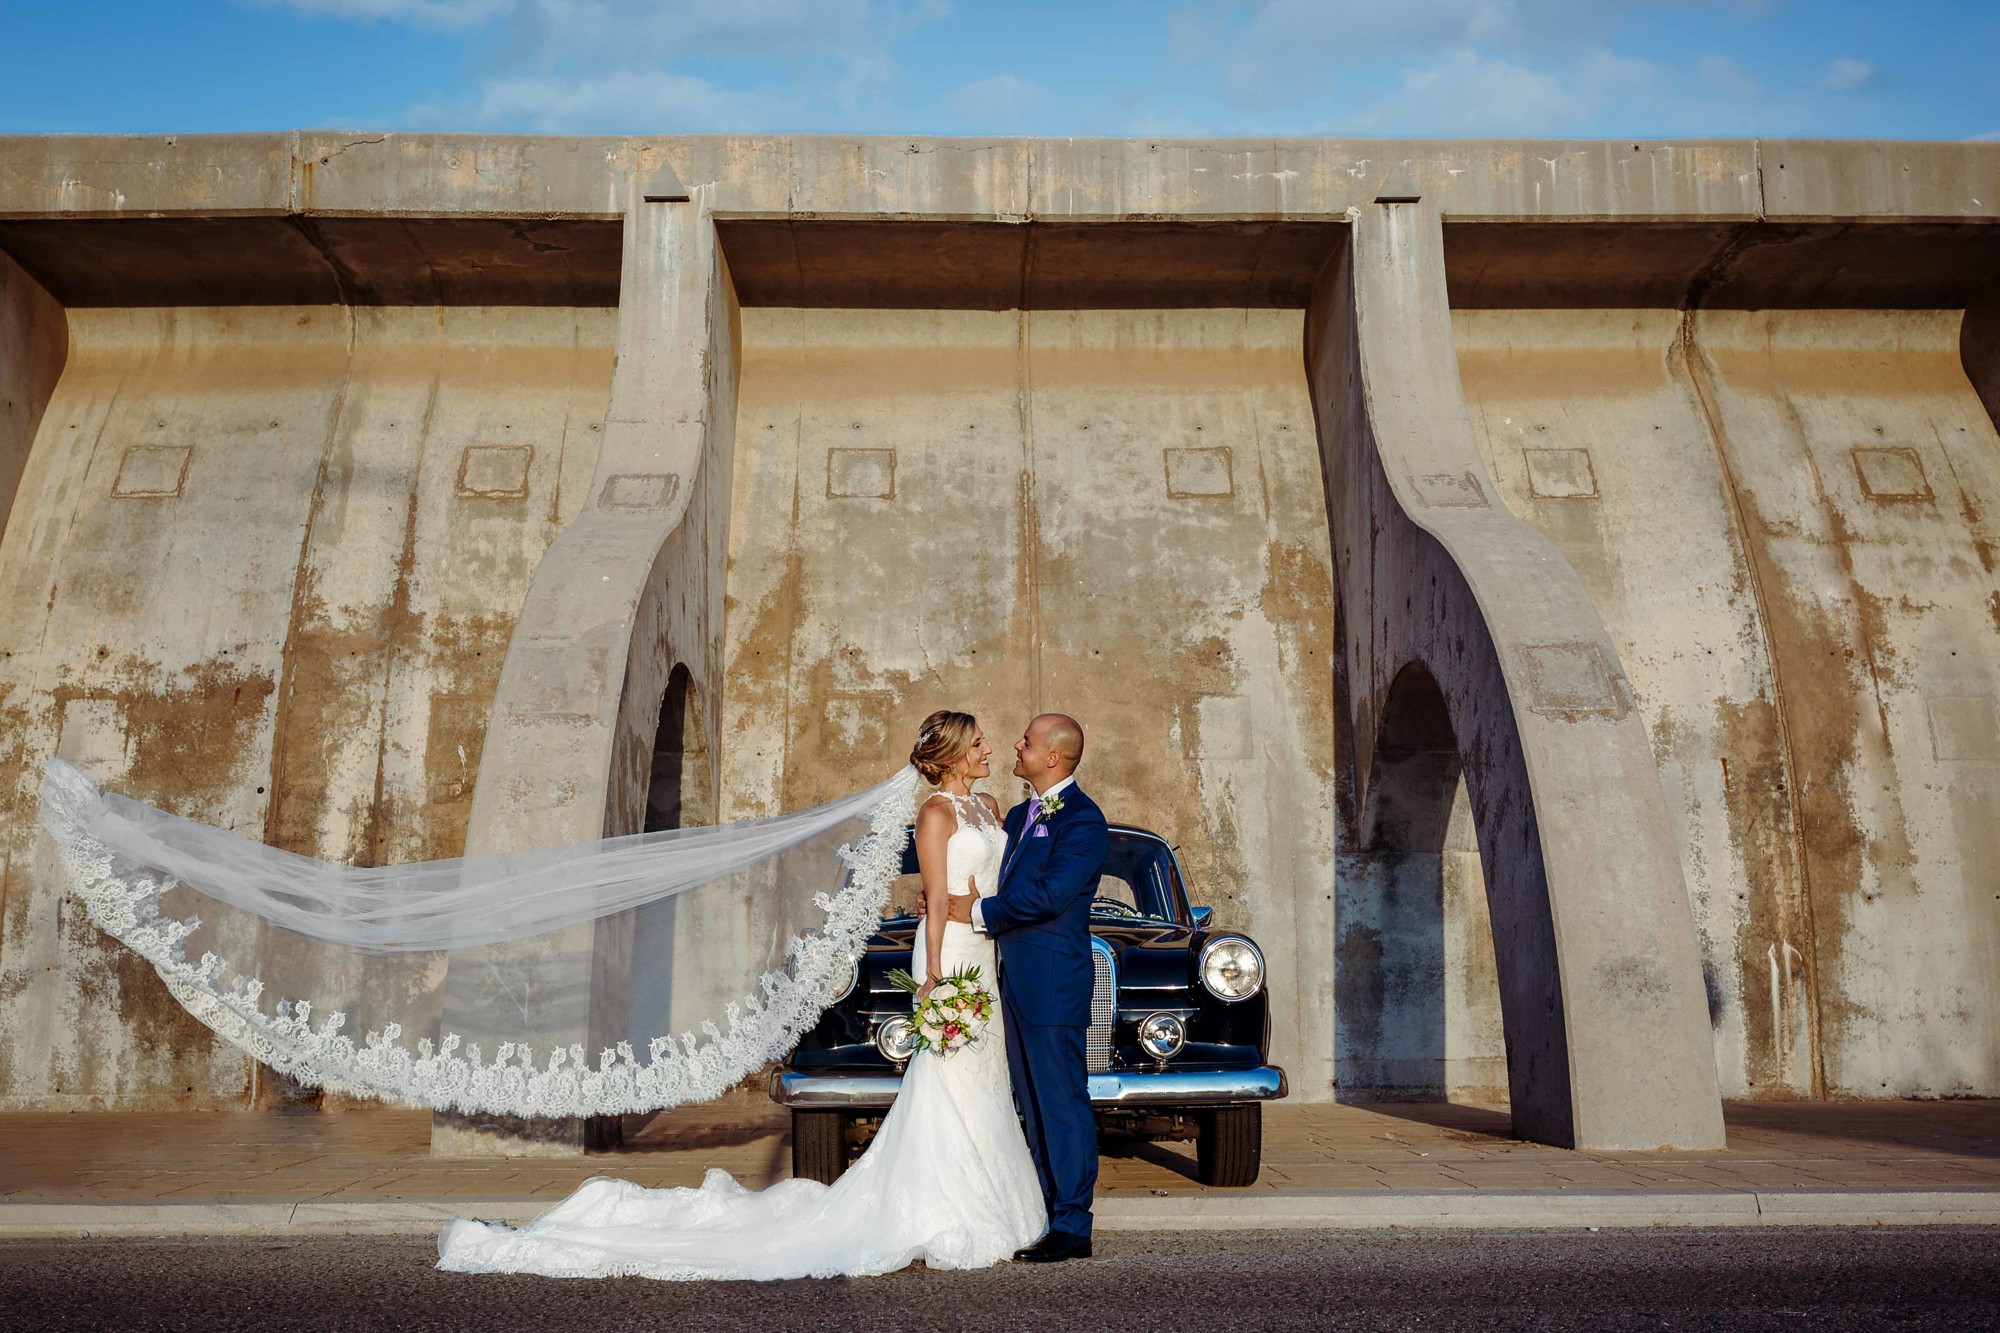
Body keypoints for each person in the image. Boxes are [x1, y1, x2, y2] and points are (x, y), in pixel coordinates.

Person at [435, 711, 1046, 1280]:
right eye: (977, 743)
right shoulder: (935, 814)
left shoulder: (992, 808)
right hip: (950, 955)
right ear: (949, 756)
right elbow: (935, 900)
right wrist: (934, 974)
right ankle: (946, 1204)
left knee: (982, 1075)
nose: (988, 749)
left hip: (986, 953)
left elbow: (999, 879)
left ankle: (994, 1195)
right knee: (945, 1076)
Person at [946, 712, 1110, 1262]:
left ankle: (1072, 1225)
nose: (1017, 745)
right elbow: (991, 879)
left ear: (1054, 758)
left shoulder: (1083, 821)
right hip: (1007, 981)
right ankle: (1042, 1208)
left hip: (1052, 981)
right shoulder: (1018, 814)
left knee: (1061, 1099)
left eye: (1028, 742)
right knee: (1030, 1101)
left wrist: (978, 912)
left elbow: (1051, 895)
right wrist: (945, 902)